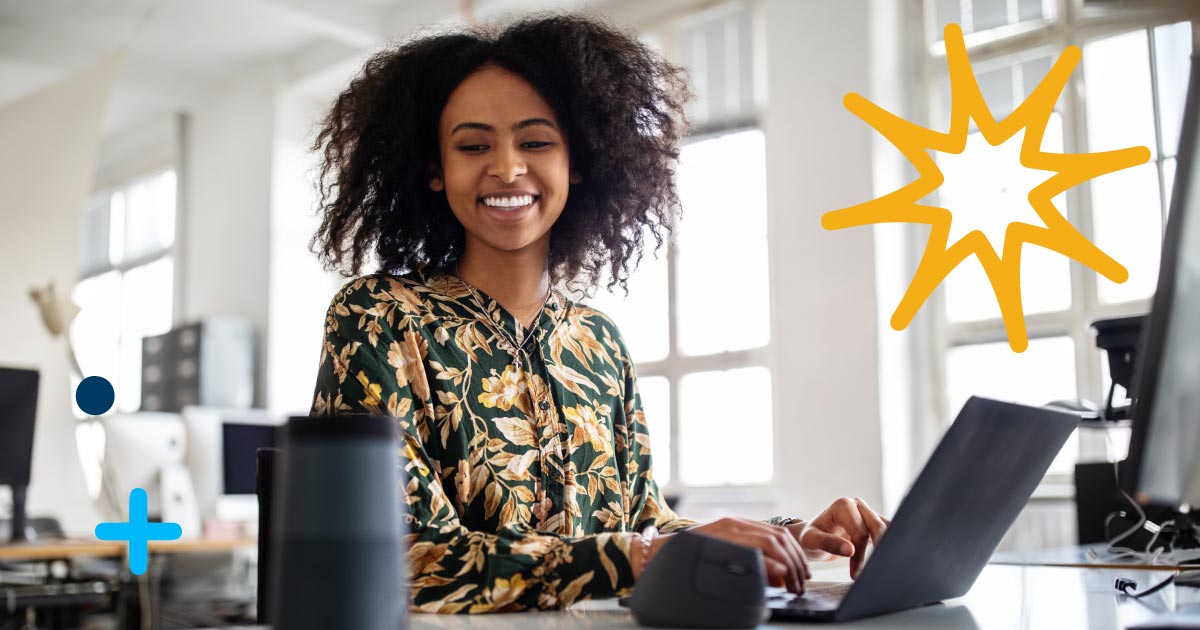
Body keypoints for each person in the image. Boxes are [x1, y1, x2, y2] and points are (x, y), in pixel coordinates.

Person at [308, 12, 887, 614]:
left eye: (535, 141)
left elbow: (646, 525)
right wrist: (635, 557)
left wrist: (786, 537)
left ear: (578, 163)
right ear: (434, 169)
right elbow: (393, 555)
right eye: (473, 145)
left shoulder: (597, 342)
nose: (506, 168)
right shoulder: (377, 318)